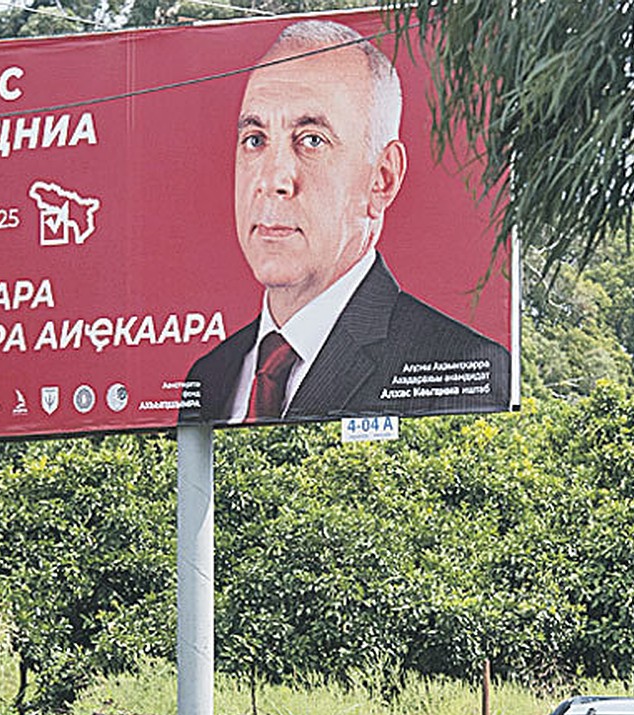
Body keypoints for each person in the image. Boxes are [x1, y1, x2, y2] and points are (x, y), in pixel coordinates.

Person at [181, 18, 511, 425]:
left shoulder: (463, 366)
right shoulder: (209, 375)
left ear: (382, 178)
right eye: (255, 139)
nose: (273, 180)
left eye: (311, 140)